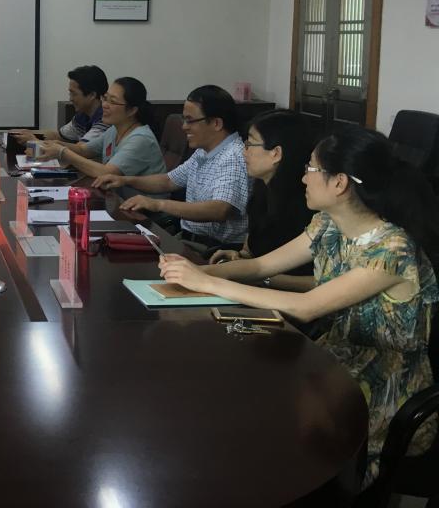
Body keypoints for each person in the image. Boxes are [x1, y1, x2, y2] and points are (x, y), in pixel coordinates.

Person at [159, 125, 439, 487]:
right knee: (239, 394)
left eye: (310, 168)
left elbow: (308, 307)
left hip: (380, 387)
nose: (303, 178)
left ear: (339, 183)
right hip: (334, 363)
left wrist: (208, 283)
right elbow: (262, 266)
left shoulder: (391, 250)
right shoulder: (328, 224)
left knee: (267, 427)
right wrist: (200, 271)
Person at [95, 85, 250, 250]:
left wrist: (158, 204)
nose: (184, 127)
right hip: (190, 240)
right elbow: (169, 181)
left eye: (190, 120)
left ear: (216, 123)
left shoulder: (233, 156)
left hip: (215, 250)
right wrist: (124, 180)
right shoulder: (204, 151)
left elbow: (219, 209)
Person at [209, 109, 315, 290]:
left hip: (286, 297)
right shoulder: (262, 190)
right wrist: (238, 257)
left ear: (276, 153)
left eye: (250, 143)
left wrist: (257, 277)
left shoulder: (308, 205)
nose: (244, 151)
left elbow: (321, 282)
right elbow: (251, 253)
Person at [36, 77, 165, 183]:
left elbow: (107, 173)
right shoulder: (114, 130)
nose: (104, 105)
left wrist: (63, 152)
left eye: (112, 102)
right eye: (105, 98)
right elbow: (84, 150)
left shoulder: (140, 139)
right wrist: (56, 144)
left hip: (145, 206)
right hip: (118, 200)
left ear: (132, 110)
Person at [11, 65, 109, 155]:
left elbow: (82, 150)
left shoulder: (105, 119)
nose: (70, 99)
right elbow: (58, 136)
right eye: (70, 93)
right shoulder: (83, 115)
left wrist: (36, 142)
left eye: (74, 94)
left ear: (92, 95)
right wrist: (28, 133)